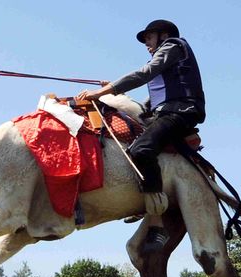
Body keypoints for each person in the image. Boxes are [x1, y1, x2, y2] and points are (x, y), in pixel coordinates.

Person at [76, 19, 205, 252]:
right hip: (165, 112)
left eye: (149, 37)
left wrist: (104, 91)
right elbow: (152, 100)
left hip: (180, 112)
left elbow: (144, 74)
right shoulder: (165, 61)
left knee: (140, 150)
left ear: (163, 35)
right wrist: (116, 93)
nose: (146, 43)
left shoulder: (173, 46)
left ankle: (156, 223)